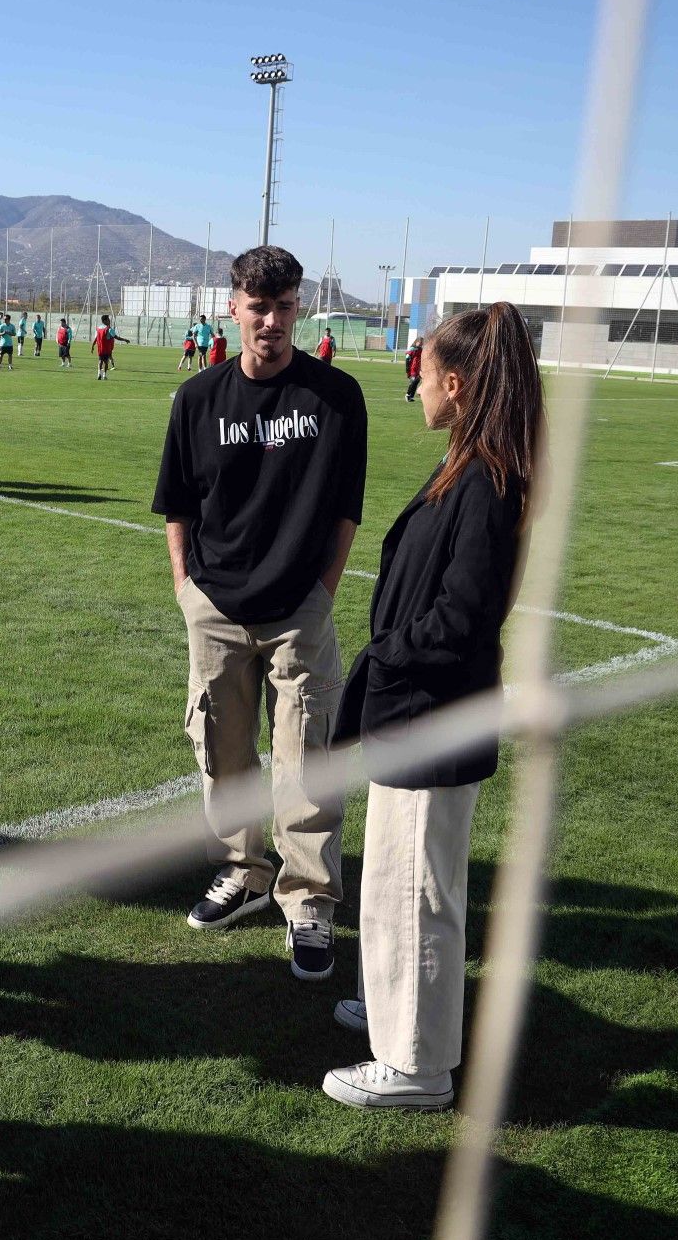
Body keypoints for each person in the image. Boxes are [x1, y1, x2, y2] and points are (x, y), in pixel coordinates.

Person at [323, 301, 541, 1110]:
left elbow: (465, 614)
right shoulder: (471, 459)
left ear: (454, 381)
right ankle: (394, 1011)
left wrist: (388, 652)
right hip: (415, 708)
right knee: (396, 883)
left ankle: (414, 1066)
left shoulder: (487, 479)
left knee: (415, 894)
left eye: (421, 367)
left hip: (431, 714)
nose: (412, 381)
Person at [151, 245, 366, 982]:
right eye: (256, 305)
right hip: (214, 603)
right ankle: (242, 870)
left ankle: (308, 897)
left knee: (305, 754)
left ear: (298, 307)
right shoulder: (197, 399)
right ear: (233, 307)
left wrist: (323, 591)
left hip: (298, 607)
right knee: (222, 745)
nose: (269, 320)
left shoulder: (336, 397)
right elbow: (177, 504)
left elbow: (345, 510)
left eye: (282, 306)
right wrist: (187, 588)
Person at [92, 314, 127, 379]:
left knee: (100, 361)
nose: (109, 321)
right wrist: (125, 340)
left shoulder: (98, 328)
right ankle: (104, 375)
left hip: (100, 348)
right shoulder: (109, 329)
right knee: (106, 362)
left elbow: (96, 338)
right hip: (107, 348)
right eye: (108, 319)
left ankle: (99, 374)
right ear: (105, 321)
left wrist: (93, 346)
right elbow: (116, 337)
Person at [404, 336, 424, 402]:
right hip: (412, 368)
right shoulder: (412, 349)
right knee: (413, 381)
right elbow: (407, 358)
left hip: (418, 368)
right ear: (416, 342)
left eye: (422, 343)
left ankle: (411, 396)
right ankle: (407, 395)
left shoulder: (421, 350)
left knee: (416, 382)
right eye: (420, 342)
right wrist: (407, 369)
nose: (421, 344)